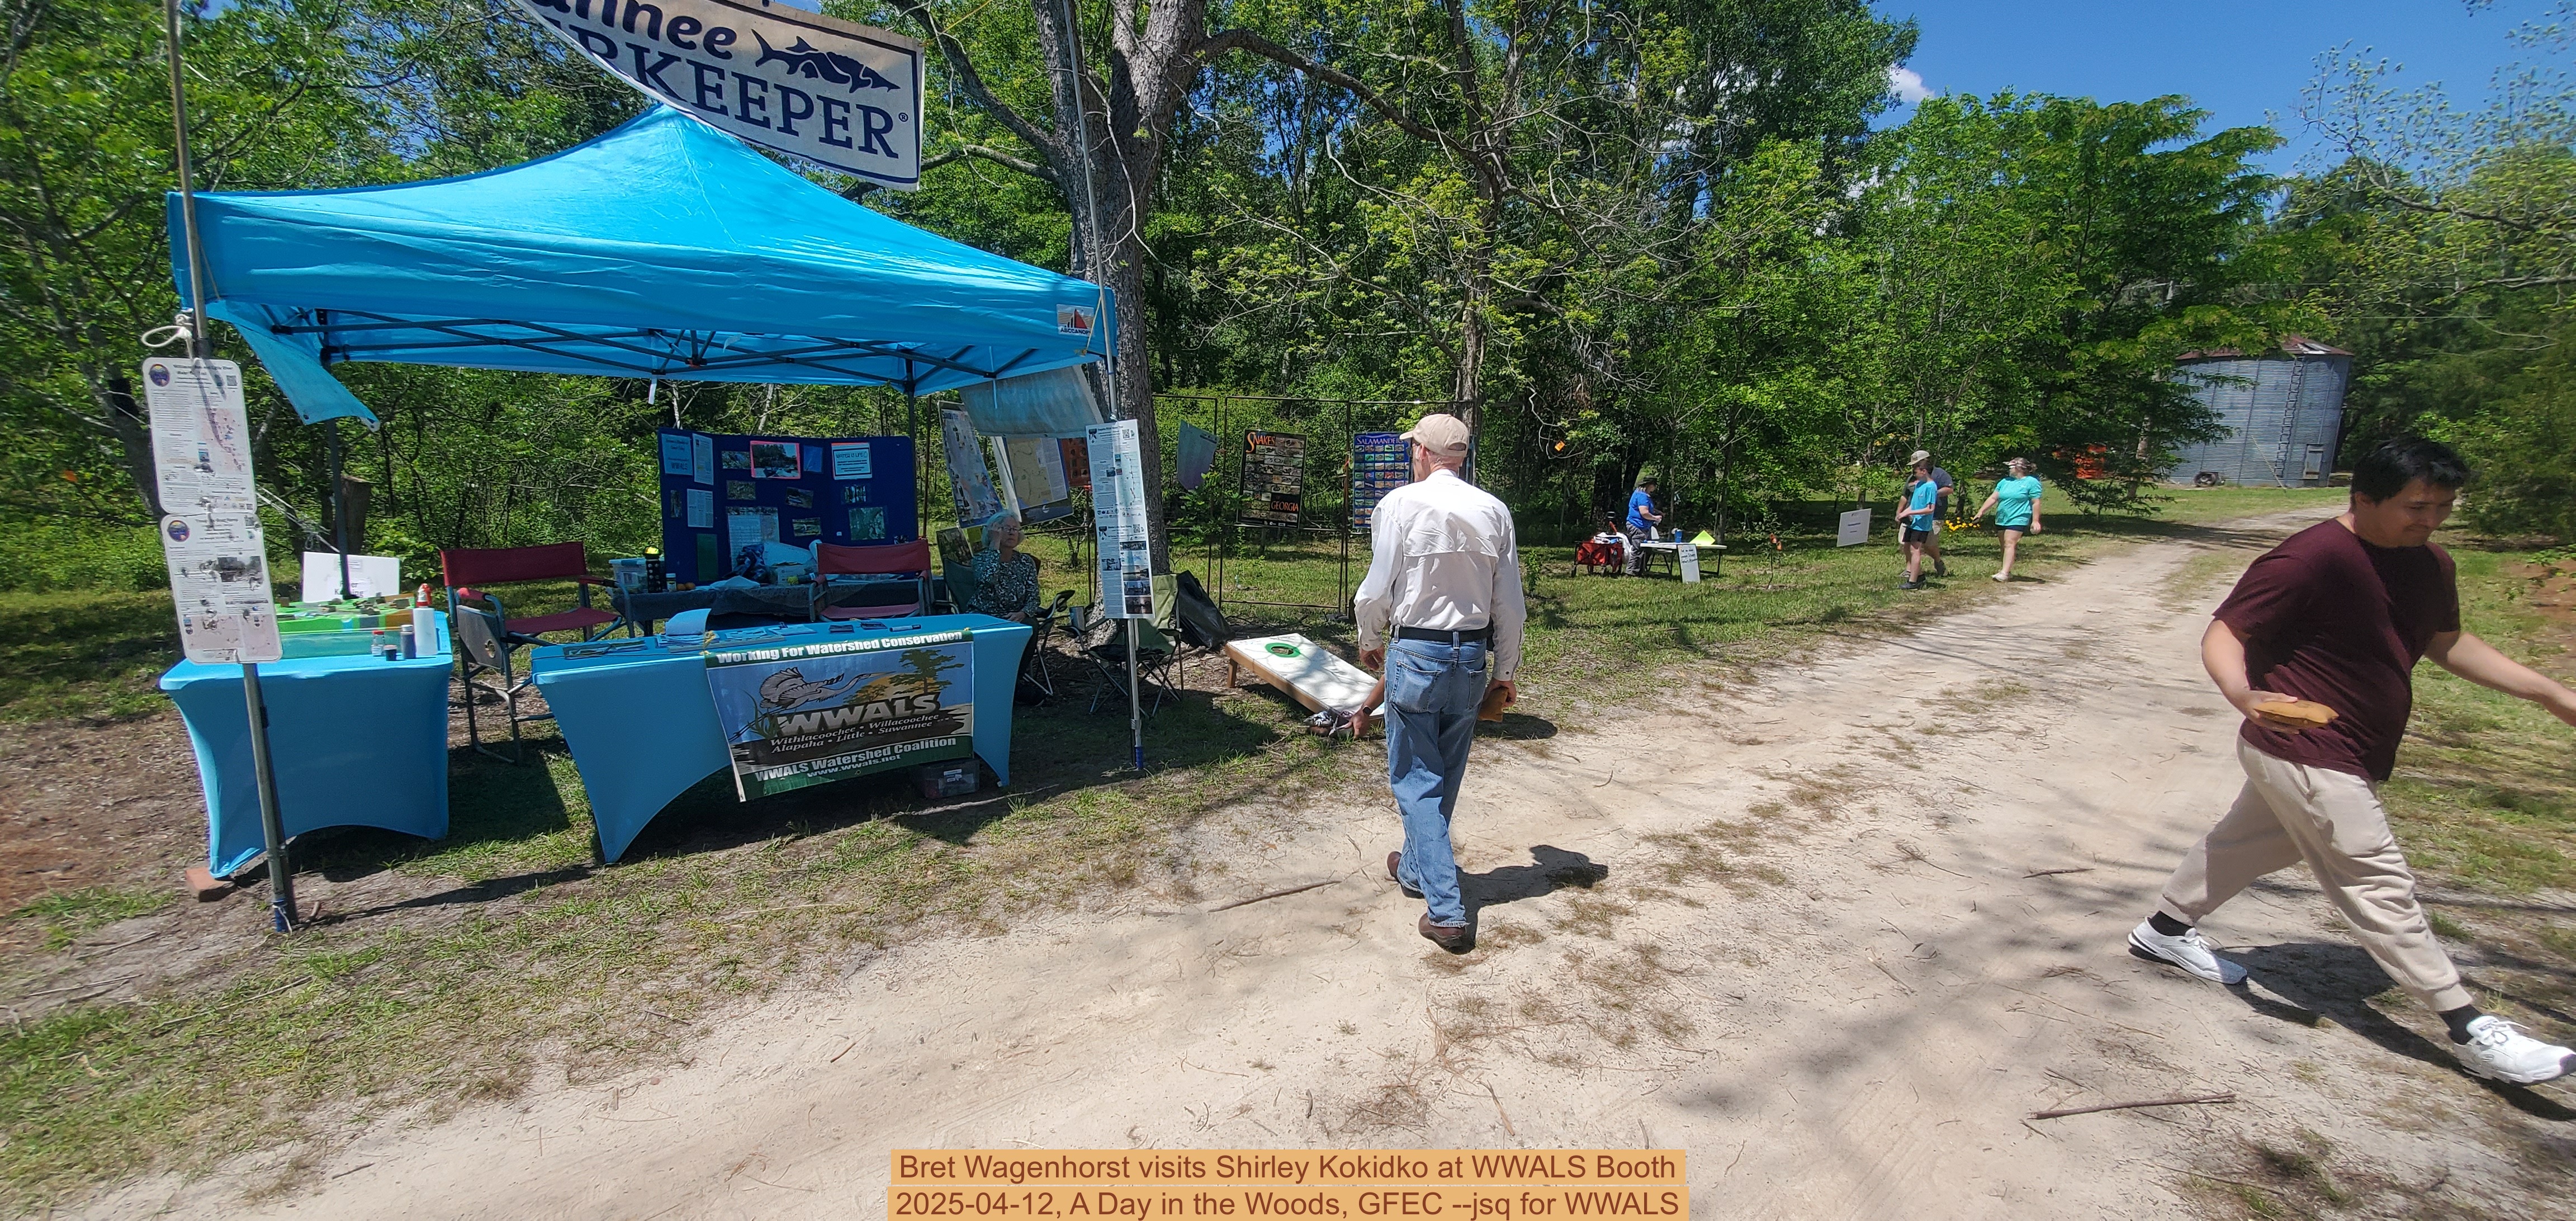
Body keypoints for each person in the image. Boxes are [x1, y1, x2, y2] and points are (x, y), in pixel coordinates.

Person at [2128, 438, 2576, 1085]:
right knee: (2375, 881)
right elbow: (2227, 632)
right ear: (2363, 498)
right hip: (2301, 744)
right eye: (2416, 507)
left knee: (2254, 841)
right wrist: (2243, 694)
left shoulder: (2430, 565)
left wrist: (2549, 692)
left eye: (2443, 507)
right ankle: (2472, 1028)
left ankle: (2164, 929)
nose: (2430, 520)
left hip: (2355, 747)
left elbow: (2445, 643)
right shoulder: (2310, 559)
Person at [1353, 413, 1526, 952]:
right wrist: (1506, 672)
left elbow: (1375, 588)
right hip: (1472, 655)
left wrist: (1367, 635)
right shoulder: (1494, 510)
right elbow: (1510, 605)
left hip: (1418, 652)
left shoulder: (1400, 505)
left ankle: (1447, 911)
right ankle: (1412, 867)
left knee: (1415, 780)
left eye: (1413, 450)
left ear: (1424, 454)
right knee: (1444, 775)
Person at [1973, 457, 2044, 581]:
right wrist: (1981, 512)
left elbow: (2035, 502)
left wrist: (2035, 520)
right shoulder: (2005, 482)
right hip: (2002, 518)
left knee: (2009, 542)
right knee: (2004, 544)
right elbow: (1993, 498)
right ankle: (2006, 570)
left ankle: (2004, 573)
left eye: (2011, 467)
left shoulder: (2031, 482)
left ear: (2019, 467)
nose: (2009, 470)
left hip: (2019, 517)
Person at [967, 511, 1040, 623]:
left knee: (1031, 624)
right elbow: (989, 579)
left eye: (1015, 529)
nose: (1012, 533)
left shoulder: (1026, 562)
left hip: (1015, 616)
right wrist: (995, 543)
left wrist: (1023, 613)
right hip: (985, 616)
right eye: (1006, 529)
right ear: (994, 532)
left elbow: (1034, 597)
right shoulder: (980, 559)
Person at [1906, 449, 1953, 578]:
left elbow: (1950, 489)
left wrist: (1932, 494)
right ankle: (1912, 572)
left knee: (1929, 545)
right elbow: (1906, 494)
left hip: (1934, 516)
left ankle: (1938, 563)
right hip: (1914, 516)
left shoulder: (1939, 474)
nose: (1915, 467)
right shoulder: (1915, 476)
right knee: (1910, 545)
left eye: (1918, 464)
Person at [1896, 457, 1941, 590]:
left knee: (1916, 551)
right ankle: (1920, 576)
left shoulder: (1931, 487)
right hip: (1912, 523)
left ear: (1924, 471)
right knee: (1908, 548)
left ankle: (1913, 581)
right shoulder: (1919, 485)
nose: (1915, 475)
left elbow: (1930, 509)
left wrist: (1913, 513)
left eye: (1916, 472)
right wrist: (1904, 513)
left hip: (1922, 524)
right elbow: (1914, 505)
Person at [1624, 476, 1664, 575]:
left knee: (1647, 549)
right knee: (1638, 549)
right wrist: (1655, 518)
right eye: (1654, 485)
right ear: (1650, 485)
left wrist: (1657, 512)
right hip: (1637, 525)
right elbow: (1644, 513)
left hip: (1644, 526)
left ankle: (1641, 570)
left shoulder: (1639, 494)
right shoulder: (1643, 496)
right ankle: (1631, 572)